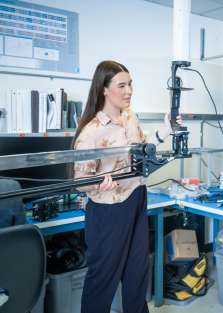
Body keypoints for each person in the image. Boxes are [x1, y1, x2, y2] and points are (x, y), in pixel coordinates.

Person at [73, 60, 180, 313]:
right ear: (104, 90)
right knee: (103, 280)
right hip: (108, 211)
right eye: (121, 85)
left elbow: (142, 149)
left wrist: (166, 130)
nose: (129, 91)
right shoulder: (91, 132)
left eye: (130, 84)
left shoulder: (130, 117)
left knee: (136, 274)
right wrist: (97, 183)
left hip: (136, 198)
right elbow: (80, 182)